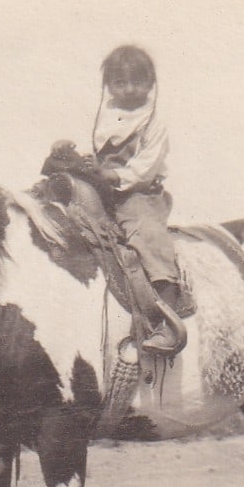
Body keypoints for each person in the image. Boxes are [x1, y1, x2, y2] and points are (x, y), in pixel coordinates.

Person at [76, 45, 182, 354]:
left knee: (146, 235)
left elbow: (145, 167)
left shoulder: (153, 122)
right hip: (102, 190)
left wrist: (112, 176)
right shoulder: (105, 113)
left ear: (151, 82)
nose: (129, 89)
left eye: (138, 81)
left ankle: (168, 316)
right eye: (120, 82)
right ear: (108, 84)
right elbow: (94, 151)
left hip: (137, 193)